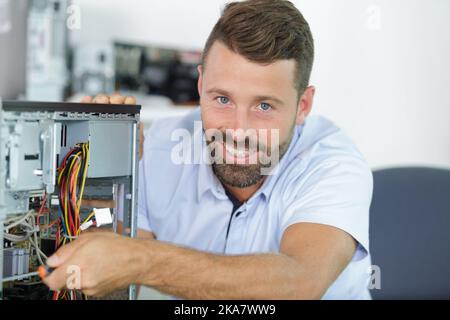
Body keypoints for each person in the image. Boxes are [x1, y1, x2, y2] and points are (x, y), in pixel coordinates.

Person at [43, 0, 373, 299]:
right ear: (201, 85)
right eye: (223, 99)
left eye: (264, 106)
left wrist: (140, 261)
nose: (238, 130)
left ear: (303, 105)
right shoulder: (158, 149)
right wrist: (109, 181)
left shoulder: (333, 164)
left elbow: (301, 283)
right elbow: (112, 278)